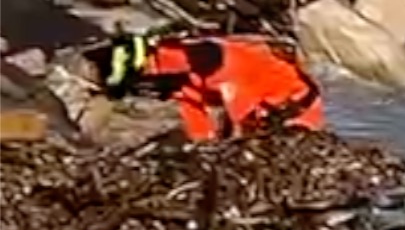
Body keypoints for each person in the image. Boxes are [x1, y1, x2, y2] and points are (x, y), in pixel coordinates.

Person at [96, 30, 327, 142]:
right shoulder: (177, 56)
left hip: (299, 114)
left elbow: (247, 134)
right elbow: (190, 105)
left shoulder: (232, 79)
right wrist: (202, 145)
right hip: (241, 83)